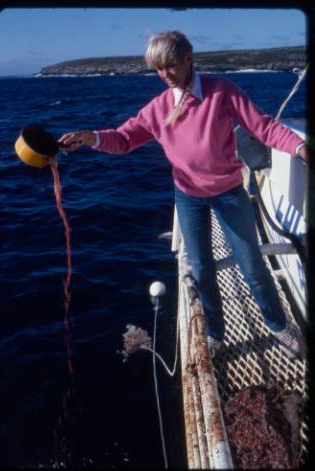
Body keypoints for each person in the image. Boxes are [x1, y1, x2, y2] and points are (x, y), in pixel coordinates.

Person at [59, 31, 309, 359]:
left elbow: (263, 127)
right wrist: (92, 137)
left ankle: (277, 326)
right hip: (188, 197)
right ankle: (215, 333)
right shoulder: (159, 107)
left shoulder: (223, 92)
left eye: (170, 66)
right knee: (201, 270)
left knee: (252, 265)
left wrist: (300, 147)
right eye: (158, 70)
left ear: (188, 59)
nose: (165, 75)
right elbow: (124, 138)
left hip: (229, 193)